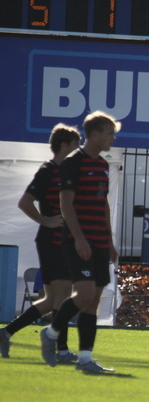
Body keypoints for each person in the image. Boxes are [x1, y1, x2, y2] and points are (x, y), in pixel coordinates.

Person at [39, 112, 120, 373]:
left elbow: (103, 204)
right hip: (79, 241)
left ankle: (85, 359)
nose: (113, 138)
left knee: (93, 300)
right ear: (95, 134)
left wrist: (109, 241)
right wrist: (79, 238)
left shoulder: (103, 165)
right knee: (83, 294)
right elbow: (65, 204)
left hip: (98, 241)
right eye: (109, 133)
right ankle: (50, 334)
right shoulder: (74, 162)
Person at [1, 124, 80, 361]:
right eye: (76, 144)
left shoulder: (65, 171)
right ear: (64, 145)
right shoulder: (48, 170)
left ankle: (6, 332)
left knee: (51, 300)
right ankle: (62, 349)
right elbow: (25, 202)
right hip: (51, 241)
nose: (79, 148)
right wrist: (45, 221)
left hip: (60, 241)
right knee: (64, 294)